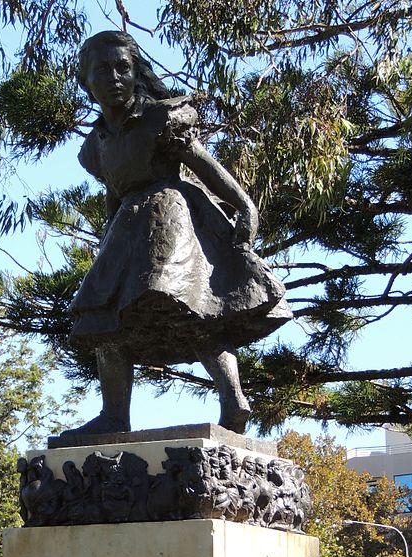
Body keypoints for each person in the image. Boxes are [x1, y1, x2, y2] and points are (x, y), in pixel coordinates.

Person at [60, 30, 292, 439]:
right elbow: (115, 195)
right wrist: (106, 246)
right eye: (102, 69)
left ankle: (232, 398)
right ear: (85, 80)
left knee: (190, 308)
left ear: (136, 73)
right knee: (105, 319)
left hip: (169, 217)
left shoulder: (161, 118)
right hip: (126, 229)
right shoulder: (95, 146)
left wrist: (244, 205)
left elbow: (205, 165)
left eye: (122, 67)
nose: (114, 77)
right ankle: (115, 414)